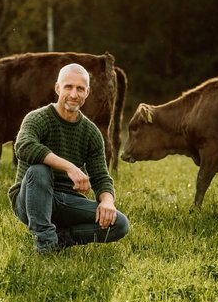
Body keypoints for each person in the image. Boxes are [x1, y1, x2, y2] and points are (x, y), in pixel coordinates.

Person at [8, 63, 130, 253]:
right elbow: (24, 147)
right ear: (58, 88)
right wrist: (70, 167)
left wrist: (107, 201)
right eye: (68, 87)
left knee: (120, 223)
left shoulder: (91, 133)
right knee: (39, 170)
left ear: (87, 92)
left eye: (80, 89)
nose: (74, 94)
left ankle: (62, 239)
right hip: (30, 198)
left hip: (66, 202)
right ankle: (46, 244)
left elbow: (100, 177)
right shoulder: (36, 118)